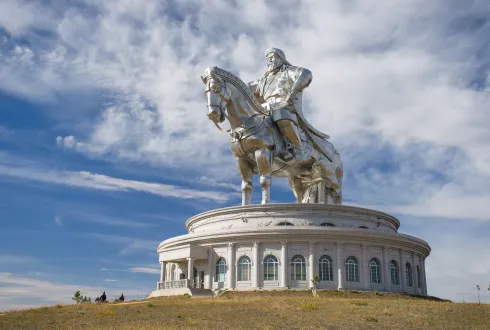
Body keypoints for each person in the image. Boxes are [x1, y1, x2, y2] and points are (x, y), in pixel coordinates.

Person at [248, 48, 330, 160]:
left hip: (283, 104)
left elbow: (306, 73)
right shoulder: (263, 80)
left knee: (280, 113)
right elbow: (245, 88)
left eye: (273, 57)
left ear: (281, 59)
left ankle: (298, 149)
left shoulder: (288, 71)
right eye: (268, 58)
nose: (270, 60)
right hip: (266, 106)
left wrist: (292, 92)